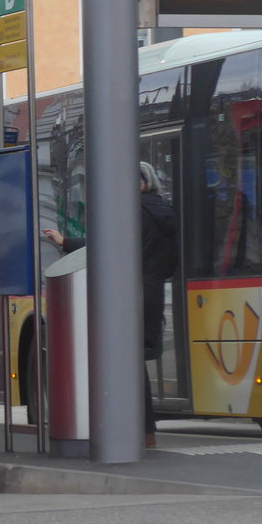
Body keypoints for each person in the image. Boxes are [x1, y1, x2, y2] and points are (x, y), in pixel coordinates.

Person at [42, 162, 178, 448]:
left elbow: (106, 246)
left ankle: (128, 431)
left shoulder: (131, 212)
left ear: (141, 183)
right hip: (152, 294)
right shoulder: (165, 212)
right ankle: (145, 432)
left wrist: (66, 243)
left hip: (127, 294)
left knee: (120, 362)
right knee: (133, 362)